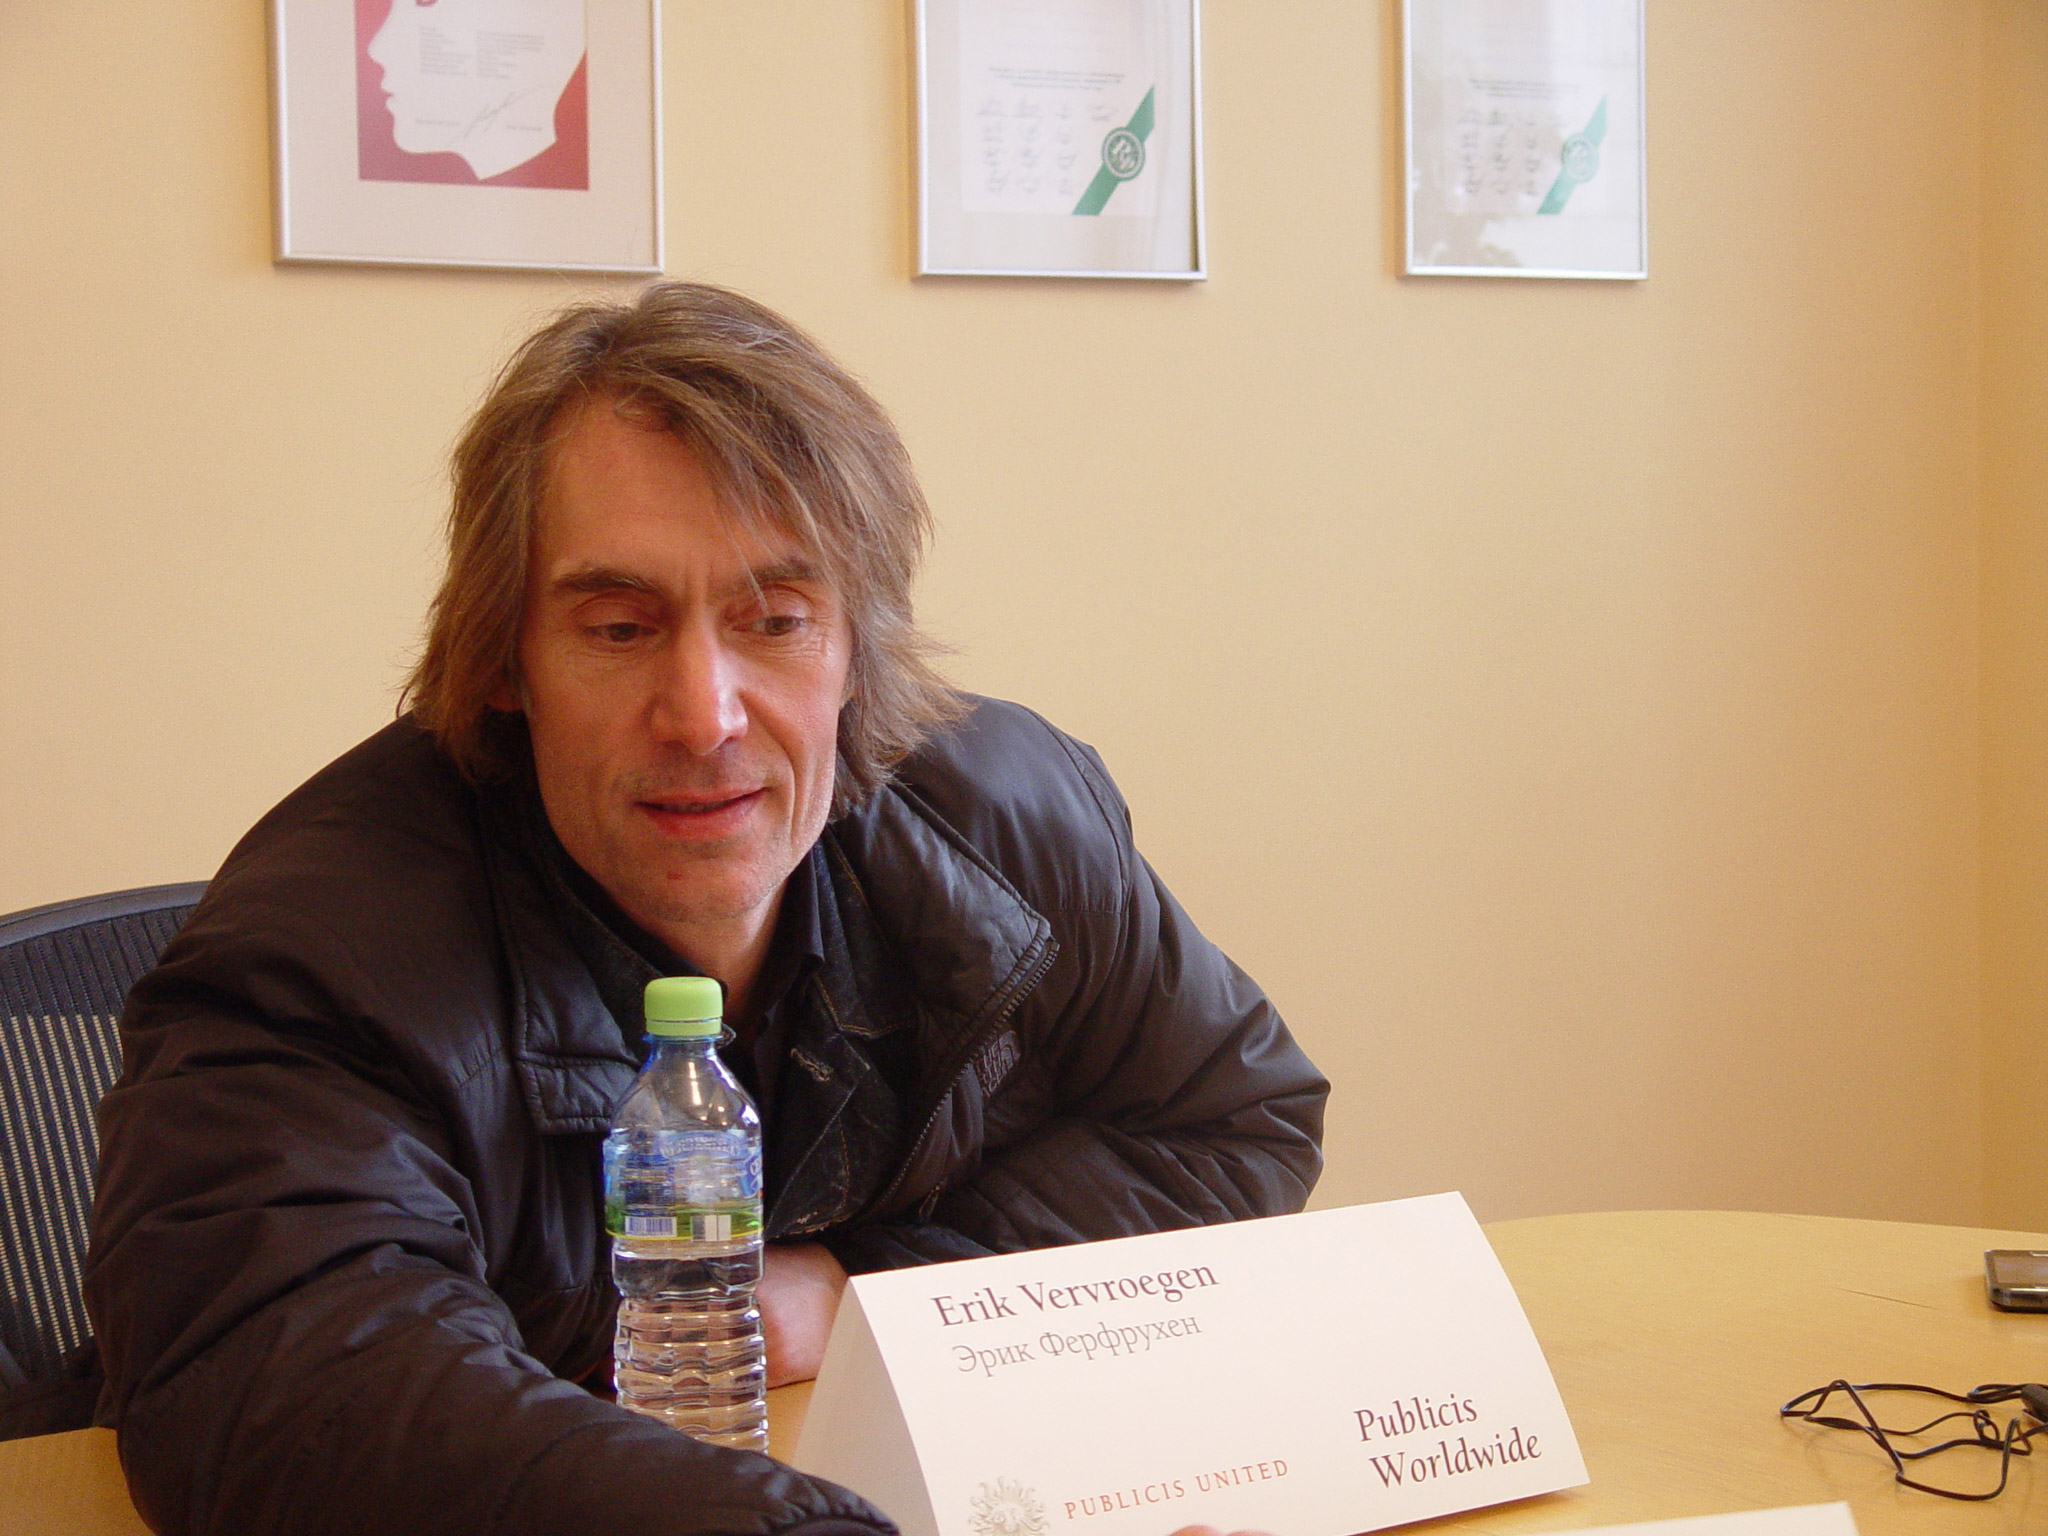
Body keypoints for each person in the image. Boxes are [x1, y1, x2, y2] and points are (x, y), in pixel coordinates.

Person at [84, 283, 1327, 1535]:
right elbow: (293, 1390)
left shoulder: (1006, 818)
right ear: (506, 656)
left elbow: (1229, 1125)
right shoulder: (320, 946)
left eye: (775, 621)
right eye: (619, 628)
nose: (703, 715)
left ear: (855, 646)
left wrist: (855, 1292)